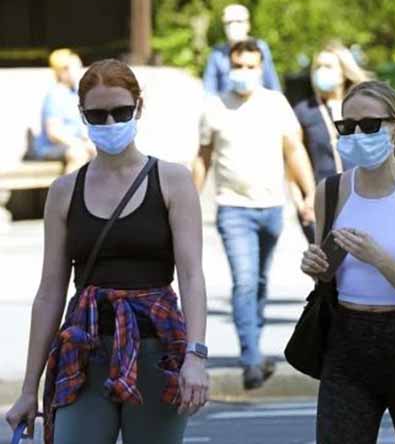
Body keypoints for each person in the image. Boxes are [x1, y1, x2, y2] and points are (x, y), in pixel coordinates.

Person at [4, 59, 209, 444]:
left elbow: (192, 275)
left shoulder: (173, 181)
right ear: (82, 115)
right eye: (98, 115)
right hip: (85, 348)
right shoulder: (64, 191)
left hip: (156, 348)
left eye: (121, 111)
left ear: (139, 108)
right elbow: (50, 291)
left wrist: (195, 357)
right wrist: (29, 388)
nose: (111, 122)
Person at [301, 80, 395, 443]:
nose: (357, 135)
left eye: (370, 125)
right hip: (347, 347)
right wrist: (316, 267)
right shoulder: (331, 191)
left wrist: (381, 260)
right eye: (347, 126)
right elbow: (329, 278)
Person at [193, 38, 316, 390]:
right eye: (238, 66)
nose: (243, 72)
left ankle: (256, 349)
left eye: (250, 66)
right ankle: (250, 358)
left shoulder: (276, 104)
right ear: (228, 67)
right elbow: (202, 158)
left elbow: (294, 151)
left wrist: (309, 194)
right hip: (233, 208)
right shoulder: (214, 107)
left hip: (272, 207)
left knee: (260, 281)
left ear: (261, 68)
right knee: (245, 281)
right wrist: (187, 199)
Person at [291, 41, 371, 242]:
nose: (321, 71)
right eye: (318, 67)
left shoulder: (362, 108)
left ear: (343, 72)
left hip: (361, 200)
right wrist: (301, 203)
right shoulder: (303, 112)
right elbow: (291, 161)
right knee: (327, 261)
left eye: (328, 66)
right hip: (320, 205)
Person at [28, 49, 95, 173]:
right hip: (52, 147)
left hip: (77, 143)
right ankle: (69, 186)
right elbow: (54, 133)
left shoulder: (77, 94)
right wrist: (77, 143)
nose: (79, 72)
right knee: (78, 153)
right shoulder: (55, 96)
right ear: (62, 72)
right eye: (75, 68)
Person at [202, 4, 281, 95]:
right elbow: (209, 88)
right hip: (226, 102)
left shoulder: (260, 47)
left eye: (238, 21)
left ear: (248, 24)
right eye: (229, 22)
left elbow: (272, 82)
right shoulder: (217, 54)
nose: (233, 25)